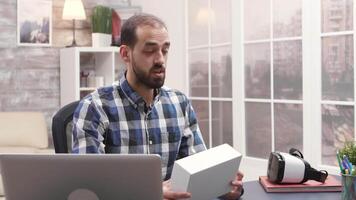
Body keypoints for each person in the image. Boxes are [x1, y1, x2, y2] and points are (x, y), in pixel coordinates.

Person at [72, 13, 243, 200]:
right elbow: (88, 187)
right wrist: (151, 192)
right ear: (125, 54)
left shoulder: (180, 103)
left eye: (165, 50)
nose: (160, 59)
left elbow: (197, 169)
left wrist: (222, 186)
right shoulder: (95, 107)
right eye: (150, 50)